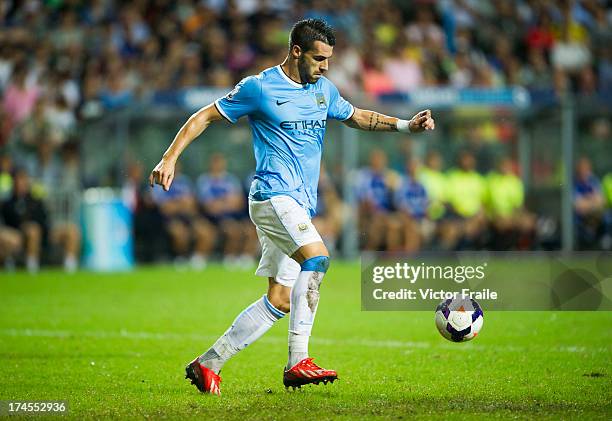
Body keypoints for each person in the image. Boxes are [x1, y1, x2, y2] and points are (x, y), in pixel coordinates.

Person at [149, 18, 435, 395]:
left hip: (298, 203)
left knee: (280, 299)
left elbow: (357, 116)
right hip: (272, 196)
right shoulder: (260, 87)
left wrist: (404, 126)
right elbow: (204, 115)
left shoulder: (324, 89)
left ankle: (208, 363)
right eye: (319, 59)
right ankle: (297, 360)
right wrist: (169, 158)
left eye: (329, 59)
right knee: (317, 259)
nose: (325, 66)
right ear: (296, 52)